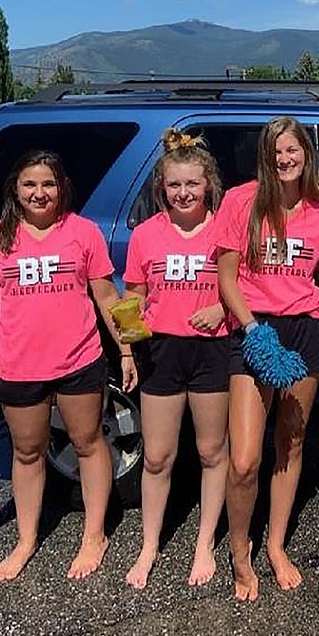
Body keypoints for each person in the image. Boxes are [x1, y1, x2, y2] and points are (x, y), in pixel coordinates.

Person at [0, 150, 136, 582]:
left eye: (48, 184)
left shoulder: (83, 233)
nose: (39, 192)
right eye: (30, 184)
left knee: (89, 443)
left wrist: (128, 349)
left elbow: (108, 296)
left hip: (80, 361)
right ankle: (27, 539)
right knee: (27, 452)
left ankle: (94, 535)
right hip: (18, 366)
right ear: (16, 188)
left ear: (61, 187)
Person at [216, 116, 319, 601]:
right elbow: (226, 276)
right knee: (244, 459)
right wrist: (252, 330)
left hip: (304, 329)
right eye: (276, 152)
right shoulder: (240, 201)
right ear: (265, 158)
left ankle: (276, 544)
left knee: (290, 442)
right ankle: (239, 552)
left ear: (306, 153)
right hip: (254, 328)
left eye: (293, 151)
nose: (285, 160)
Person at [120, 130, 229, 590]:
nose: (183, 194)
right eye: (174, 186)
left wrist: (223, 307)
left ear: (209, 186)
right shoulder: (145, 236)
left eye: (192, 184)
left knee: (210, 451)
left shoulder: (227, 230)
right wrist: (127, 348)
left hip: (212, 351)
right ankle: (149, 545)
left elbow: (246, 288)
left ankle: (204, 543)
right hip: (161, 352)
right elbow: (132, 298)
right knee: (158, 455)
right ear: (161, 188)